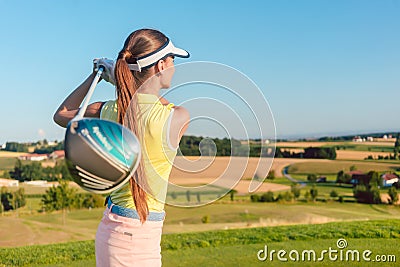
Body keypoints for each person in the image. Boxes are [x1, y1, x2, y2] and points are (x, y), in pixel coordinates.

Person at [53, 28, 190, 267]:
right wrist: (125, 80)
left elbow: (62, 114)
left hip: (114, 230)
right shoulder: (177, 116)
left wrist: (99, 76)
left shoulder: (106, 110)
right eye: (172, 60)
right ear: (159, 66)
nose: (174, 67)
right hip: (139, 235)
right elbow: (152, 103)